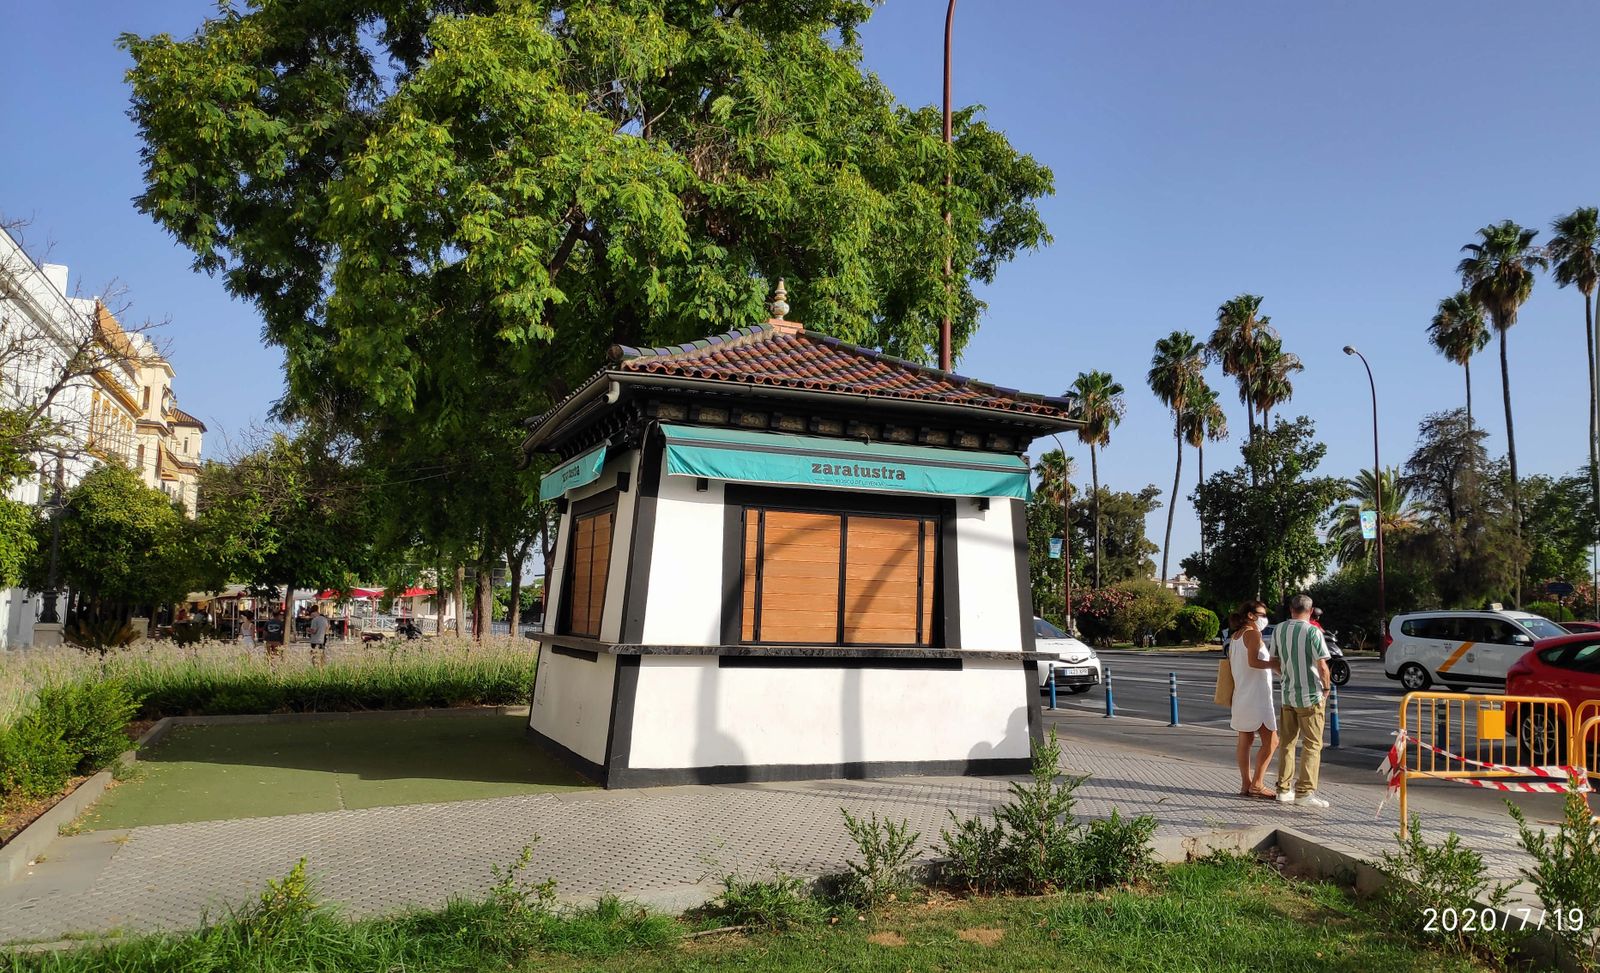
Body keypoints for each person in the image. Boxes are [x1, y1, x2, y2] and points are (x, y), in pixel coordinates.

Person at [1269, 593, 1333, 808]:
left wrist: (1287, 676)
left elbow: (1274, 661)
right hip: (1310, 696)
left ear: (1291, 609)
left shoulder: (1279, 629)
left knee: (1287, 743)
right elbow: (1322, 665)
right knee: (1312, 745)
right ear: (1311, 610)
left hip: (1288, 695)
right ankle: (1304, 792)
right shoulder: (1313, 631)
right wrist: (1326, 688)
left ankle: (1283, 789)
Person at [1227, 600, 1278, 799]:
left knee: (1245, 740)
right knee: (1272, 741)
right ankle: (1257, 784)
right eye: (1262, 614)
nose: (1264, 619)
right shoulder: (1253, 634)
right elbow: (1254, 662)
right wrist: (1276, 665)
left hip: (1242, 694)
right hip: (1257, 696)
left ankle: (1246, 783)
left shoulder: (1236, 636)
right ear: (1250, 615)